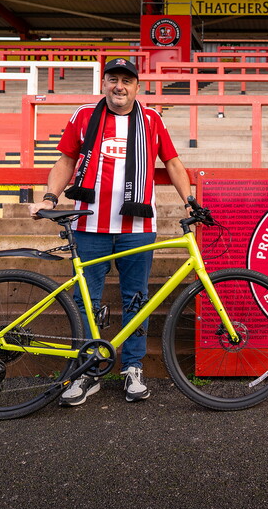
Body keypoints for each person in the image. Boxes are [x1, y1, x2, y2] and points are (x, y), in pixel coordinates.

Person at [28, 58, 191, 406]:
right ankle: (89, 370)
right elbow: (66, 160)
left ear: (137, 87)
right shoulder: (84, 115)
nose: (120, 86)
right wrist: (48, 197)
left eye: (127, 81)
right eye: (113, 79)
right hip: (88, 225)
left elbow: (173, 163)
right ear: (104, 83)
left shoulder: (152, 120)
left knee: (137, 299)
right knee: (87, 301)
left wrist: (189, 200)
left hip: (137, 227)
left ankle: (132, 368)